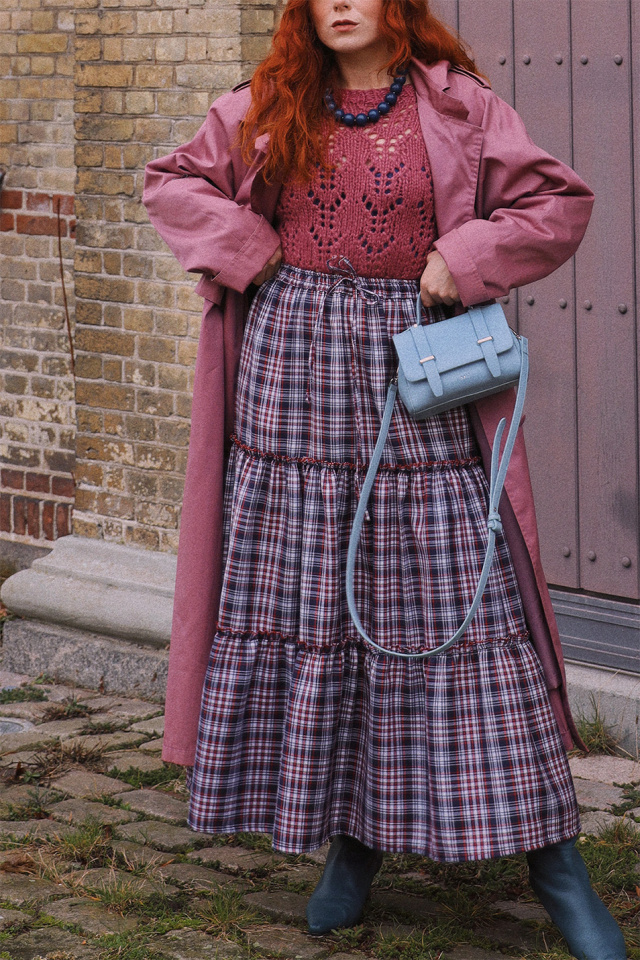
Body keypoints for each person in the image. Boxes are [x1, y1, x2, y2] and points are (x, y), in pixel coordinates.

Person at [142, 2, 626, 956]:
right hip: (291, 386)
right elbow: (172, 184)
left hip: (419, 381)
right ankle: (352, 845)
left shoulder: (462, 108)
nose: (342, 2)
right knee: (323, 609)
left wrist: (465, 253)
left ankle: (555, 866)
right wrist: (253, 253)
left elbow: (555, 203)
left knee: (469, 612)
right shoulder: (266, 104)